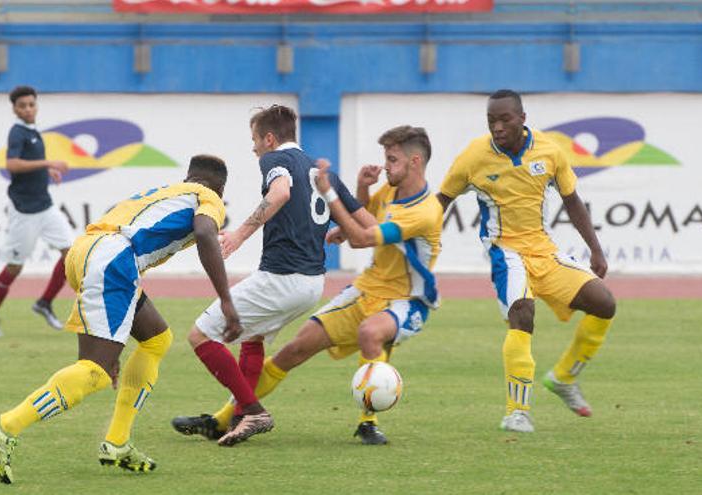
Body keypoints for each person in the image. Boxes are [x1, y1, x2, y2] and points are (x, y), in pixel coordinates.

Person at [0, 155, 241, 484]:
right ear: (217, 187)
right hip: (114, 260)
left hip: (87, 252)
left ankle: (117, 442)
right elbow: (205, 233)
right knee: (96, 372)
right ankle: (5, 426)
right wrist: (226, 300)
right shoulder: (209, 196)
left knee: (156, 338)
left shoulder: (167, 190)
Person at [193, 125, 441, 446]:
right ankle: (224, 419)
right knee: (292, 351)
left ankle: (368, 422)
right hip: (365, 291)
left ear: (415, 161)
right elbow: (365, 222)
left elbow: (365, 237)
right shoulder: (391, 193)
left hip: (409, 299)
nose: (386, 166)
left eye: (392, 159)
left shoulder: (426, 211)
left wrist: (330, 192)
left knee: (370, 333)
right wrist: (362, 189)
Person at [171, 105, 371, 447]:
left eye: (254, 141)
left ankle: (252, 410)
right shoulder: (324, 175)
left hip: (283, 278)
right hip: (312, 284)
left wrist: (238, 235)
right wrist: (342, 230)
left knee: (200, 336)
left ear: (269, 137)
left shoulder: (275, 160)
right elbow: (370, 226)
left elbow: (280, 193)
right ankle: (236, 418)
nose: (254, 149)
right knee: (254, 338)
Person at [437, 89, 617, 433]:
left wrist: (595, 248)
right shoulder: (473, 157)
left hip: (544, 251)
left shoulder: (550, 151)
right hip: (504, 250)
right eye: (492, 120)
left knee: (604, 303)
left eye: (505, 119)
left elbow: (572, 200)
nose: (498, 126)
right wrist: (422, 242)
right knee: (523, 312)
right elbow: (441, 200)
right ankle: (516, 411)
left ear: (522, 118)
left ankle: (564, 378)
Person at [0, 85, 75, 337]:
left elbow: (30, 165)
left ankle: (44, 303)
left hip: (45, 205)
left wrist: (46, 171)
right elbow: (11, 164)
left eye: (31, 104)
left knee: (72, 253)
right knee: (15, 266)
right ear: (15, 109)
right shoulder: (17, 133)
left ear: (36, 105)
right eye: (22, 106)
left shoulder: (33, 132)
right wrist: (48, 162)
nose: (28, 109)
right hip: (24, 211)